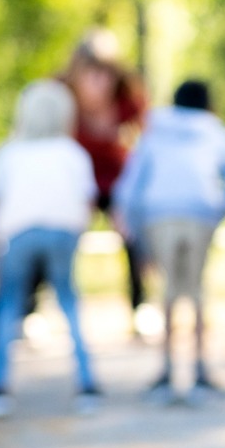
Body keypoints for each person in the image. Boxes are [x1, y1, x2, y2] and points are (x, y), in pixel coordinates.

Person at [114, 79, 225, 404]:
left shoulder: (154, 131)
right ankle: (201, 372)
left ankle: (166, 372)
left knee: (169, 290)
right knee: (197, 290)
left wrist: (134, 226)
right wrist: (221, 207)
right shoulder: (214, 129)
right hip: (201, 213)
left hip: (158, 215)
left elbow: (131, 184)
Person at [0, 79, 102, 418]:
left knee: (8, 305)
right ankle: (86, 383)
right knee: (69, 302)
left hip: (17, 234)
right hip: (62, 233)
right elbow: (86, 201)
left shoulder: (9, 153)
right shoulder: (72, 153)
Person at [60, 32, 148, 328]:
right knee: (56, 235)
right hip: (72, 180)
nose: (101, 82)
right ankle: (34, 308)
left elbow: (145, 139)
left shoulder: (127, 98)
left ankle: (140, 306)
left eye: (107, 73)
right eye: (92, 73)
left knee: (132, 234)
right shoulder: (59, 94)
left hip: (114, 179)